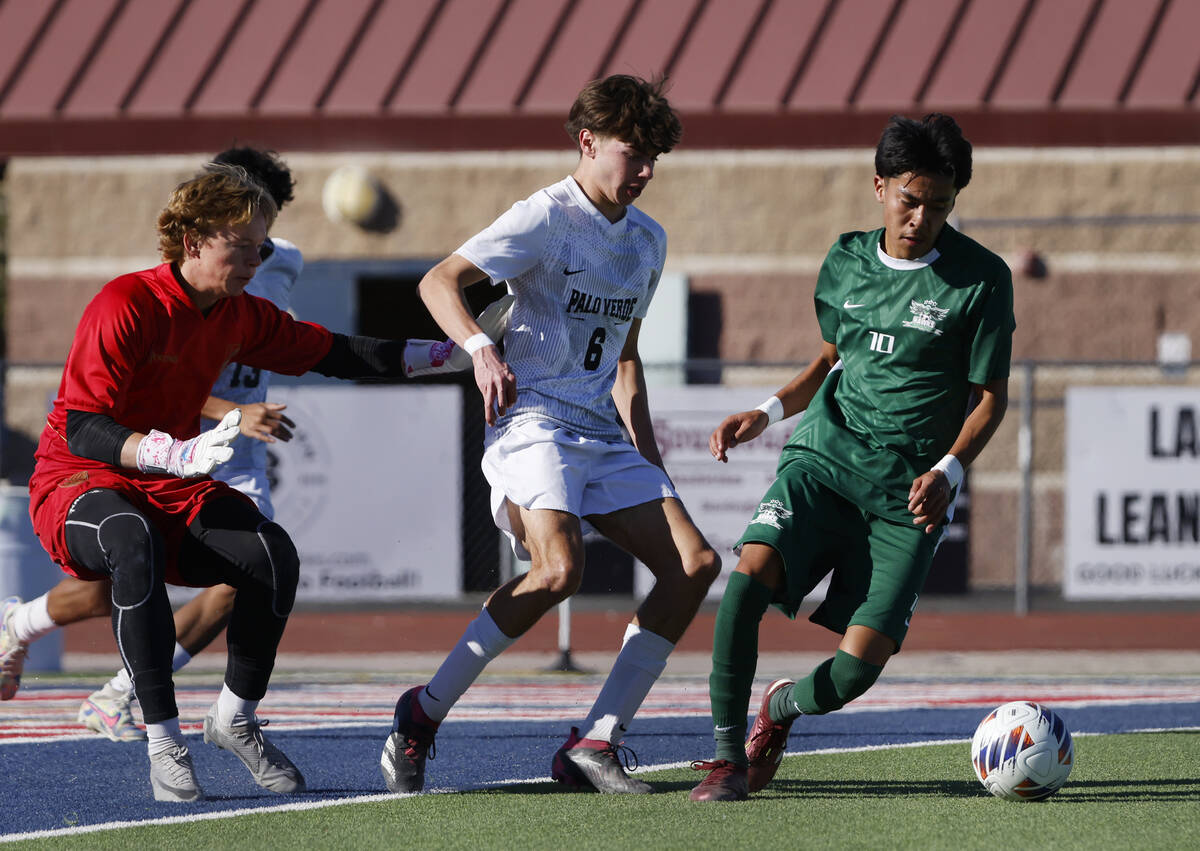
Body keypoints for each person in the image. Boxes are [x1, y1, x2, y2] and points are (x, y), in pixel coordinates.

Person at [0, 150, 505, 741]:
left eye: (260, 235)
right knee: (122, 575)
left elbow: (322, 350)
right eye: (239, 238)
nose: (254, 252)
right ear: (201, 234)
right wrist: (219, 419)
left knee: (250, 569)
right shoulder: (153, 294)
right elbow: (157, 385)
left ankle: (151, 697)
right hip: (157, 450)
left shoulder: (269, 273)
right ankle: (42, 636)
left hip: (228, 456)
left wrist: (452, 353)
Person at [379, 74, 720, 795]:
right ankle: (421, 711)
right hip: (533, 418)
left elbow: (625, 357)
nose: (648, 171)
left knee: (694, 566)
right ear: (588, 142)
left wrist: (651, 464)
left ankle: (594, 741)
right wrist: (479, 348)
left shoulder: (649, 241)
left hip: (601, 430)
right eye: (636, 153)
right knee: (559, 570)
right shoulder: (544, 215)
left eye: (657, 156)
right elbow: (438, 281)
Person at [688, 113, 1015, 802]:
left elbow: (990, 399)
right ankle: (725, 759)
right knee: (747, 577)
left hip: (907, 496)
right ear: (880, 186)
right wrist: (769, 411)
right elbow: (834, 356)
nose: (923, 217)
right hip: (824, 459)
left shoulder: (981, 280)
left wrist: (948, 469)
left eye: (940, 205)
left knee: (855, 673)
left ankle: (777, 709)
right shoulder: (844, 261)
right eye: (911, 199)